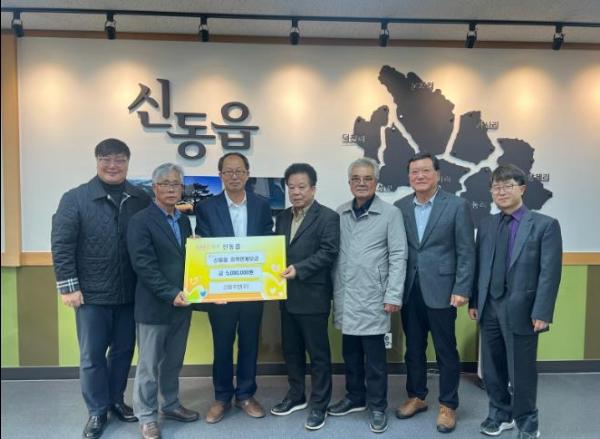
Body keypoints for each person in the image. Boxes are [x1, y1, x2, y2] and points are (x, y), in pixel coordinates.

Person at [51, 138, 151, 439]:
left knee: (123, 352)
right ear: (97, 161)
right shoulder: (75, 198)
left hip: (130, 294)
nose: (112, 165)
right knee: (92, 356)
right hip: (91, 295)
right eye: (106, 159)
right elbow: (62, 245)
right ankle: (96, 411)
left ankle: (115, 400)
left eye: (119, 159)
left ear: (128, 163)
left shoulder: (141, 198)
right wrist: (69, 287)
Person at [469, 164, 562, 439]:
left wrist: (542, 311)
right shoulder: (486, 225)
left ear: (522, 188)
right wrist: (475, 301)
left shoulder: (544, 225)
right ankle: (500, 414)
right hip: (490, 306)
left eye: (507, 186)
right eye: (496, 187)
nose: (501, 192)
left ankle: (527, 422)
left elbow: (550, 273)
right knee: (492, 368)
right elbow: (479, 266)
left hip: (523, 309)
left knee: (521, 370)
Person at [394, 152, 475, 433]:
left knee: (445, 350)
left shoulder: (456, 206)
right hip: (409, 290)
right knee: (413, 348)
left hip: (443, 290)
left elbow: (466, 251)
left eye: (426, 171)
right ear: (409, 177)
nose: (420, 176)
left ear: (438, 174)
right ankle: (416, 396)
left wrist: (462, 288)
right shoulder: (400, 207)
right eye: (414, 172)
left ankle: (448, 405)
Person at [328, 157, 407, 434]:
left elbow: (398, 255)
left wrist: (393, 295)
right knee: (350, 353)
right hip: (346, 295)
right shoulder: (339, 213)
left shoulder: (390, 214)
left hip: (374, 297)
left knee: (374, 359)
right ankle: (354, 397)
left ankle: (377, 406)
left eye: (367, 178)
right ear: (349, 182)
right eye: (356, 179)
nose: (361, 183)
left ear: (376, 182)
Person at [195, 152, 274, 423]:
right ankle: (221, 397)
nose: (234, 176)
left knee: (250, 343)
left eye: (239, 171)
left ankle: (246, 395)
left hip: (253, 289)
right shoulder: (207, 207)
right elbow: (205, 247)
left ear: (248, 174)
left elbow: (268, 242)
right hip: (221, 292)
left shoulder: (262, 205)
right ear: (220, 175)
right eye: (228, 171)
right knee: (222, 345)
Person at [127, 163, 199, 439]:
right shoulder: (141, 221)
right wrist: (170, 294)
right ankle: (146, 416)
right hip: (154, 306)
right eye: (165, 183)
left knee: (173, 361)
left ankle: (169, 404)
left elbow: (185, 261)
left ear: (182, 189)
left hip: (182, 304)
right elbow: (143, 265)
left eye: (176, 184)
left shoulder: (183, 220)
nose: (171, 189)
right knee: (149, 365)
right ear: (155, 187)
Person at [270, 163, 340, 430]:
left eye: (301, 187)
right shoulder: (282, 217)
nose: (296, 192)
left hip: (313, 295)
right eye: (291, 187)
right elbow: (275, 251)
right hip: (286, 296)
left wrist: (299, 269)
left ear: (313, 188)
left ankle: (319, 403)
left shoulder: (328, 217)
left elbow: (329, 252)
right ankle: (296, 394)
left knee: (318, 353)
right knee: (292, 350)